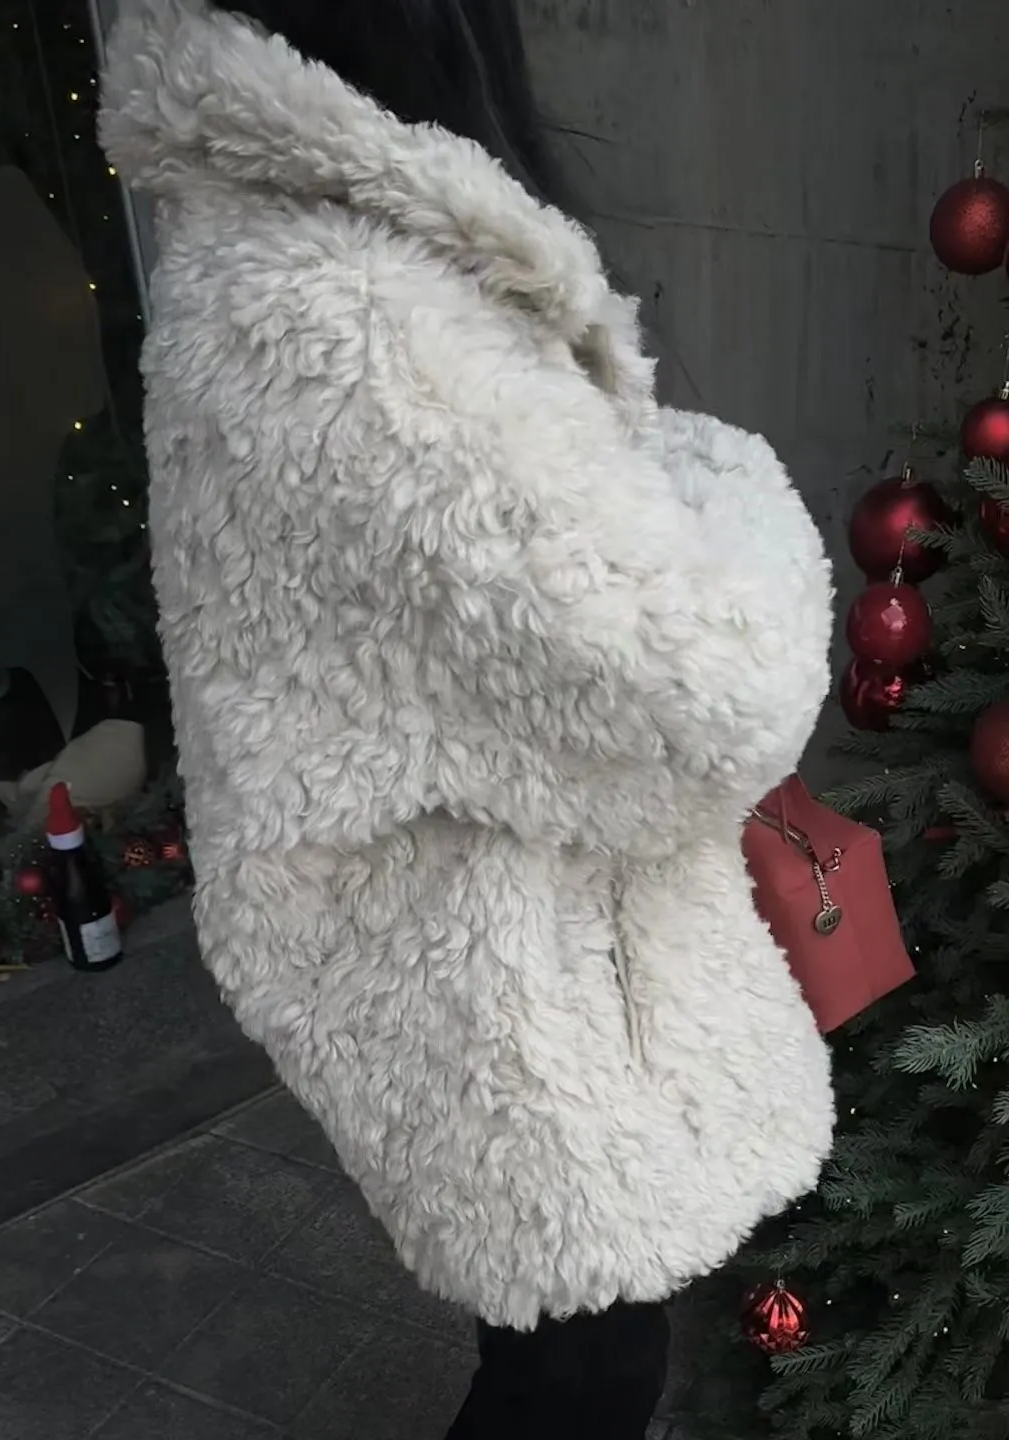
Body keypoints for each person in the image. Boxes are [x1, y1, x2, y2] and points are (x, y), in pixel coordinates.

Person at [99, 3, 836, 1436]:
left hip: (463, 935)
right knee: (581, 1368)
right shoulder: (354, 317)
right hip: (485, 976)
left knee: (566, 1350)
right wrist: (720, 474)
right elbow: (709, 685)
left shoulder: (287, 264)